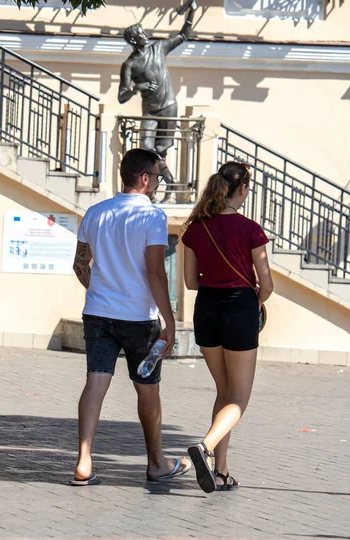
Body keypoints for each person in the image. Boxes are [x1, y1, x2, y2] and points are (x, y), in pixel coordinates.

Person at [70, 148, 191, 486]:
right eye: (154, 178)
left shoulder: (95, 212)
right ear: (143, 178)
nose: (156, 184)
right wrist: (169, 320)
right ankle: (156, 463)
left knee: (96, 382)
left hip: (98, 313)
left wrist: (100, 290)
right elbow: (155, 272)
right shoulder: (152, 217)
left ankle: (83, 461)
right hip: (139, 318)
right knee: (147, 389)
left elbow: (80, 264)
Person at [182, 162, 273, 493]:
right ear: (243, 189)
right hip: (239, 309)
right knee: (239, 397)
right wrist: (257, 304)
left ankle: (220, 472)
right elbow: (267, 284)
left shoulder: (195, 228)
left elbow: (191, 282)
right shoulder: (251, 229)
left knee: (224, 391)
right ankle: (205, 448)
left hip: (205, 308)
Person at [118, 2, 197, 199]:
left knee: (162, 149)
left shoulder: (159, 48)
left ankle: (159, 188)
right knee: (147, 146)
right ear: (135, 40)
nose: (146, 35)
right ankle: (169, 183)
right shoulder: (130, 65)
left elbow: (183, 35)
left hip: (169, 106)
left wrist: (192, 12)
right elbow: (122, 96)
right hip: (150, 110)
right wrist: (138, 88)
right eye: (141, 33)